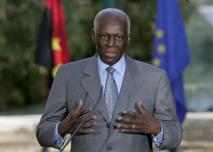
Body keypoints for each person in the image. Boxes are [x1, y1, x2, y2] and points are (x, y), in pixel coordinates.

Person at [36, 8, 182, 152]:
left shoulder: (155, 78)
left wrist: (156, 128)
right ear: (93, 36)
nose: (111, 43)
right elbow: (43, 133)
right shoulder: (67, 75)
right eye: (104, 36)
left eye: (118, 37)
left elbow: (175, 135)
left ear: (128, 38)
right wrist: (62, 127)